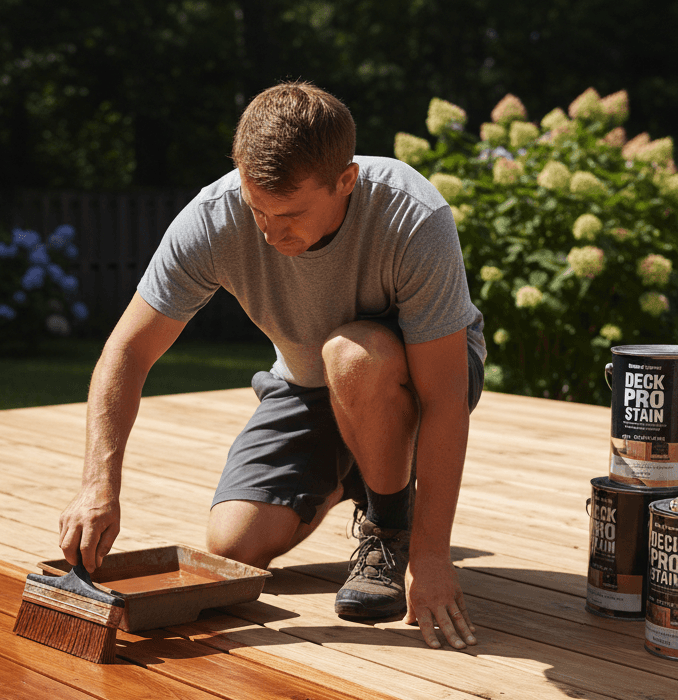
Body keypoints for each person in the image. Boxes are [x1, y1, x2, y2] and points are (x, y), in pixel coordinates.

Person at [58, 81, 486, 651]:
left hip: (411, 373)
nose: (268, 231)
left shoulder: (411, 215)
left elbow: (444, 398)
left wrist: (431, 557)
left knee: (352, 355)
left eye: (289, 214)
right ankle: (358, 471)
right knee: (232, 545)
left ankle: (388, 527)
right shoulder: (213, 218)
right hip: (308, 381)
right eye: (257, 208)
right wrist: (97, 484)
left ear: (345, 182)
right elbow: (127, 350)